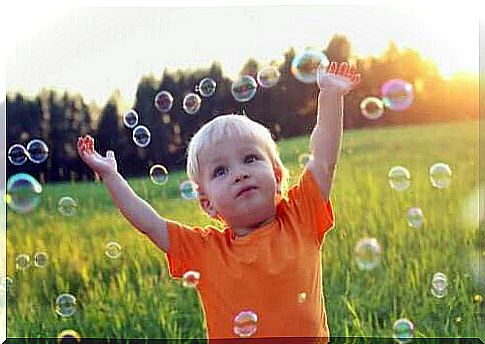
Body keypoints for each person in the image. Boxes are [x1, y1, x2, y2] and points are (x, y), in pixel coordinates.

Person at [77, 61, 361, 341]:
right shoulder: (205, 250)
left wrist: (331, 95)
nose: (240, 173)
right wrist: (110, 175)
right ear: (207, 203)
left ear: (276, 175)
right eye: (220, 171)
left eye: (250, 158)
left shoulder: (300, 218)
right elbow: (150, 224)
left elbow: (323, 159)